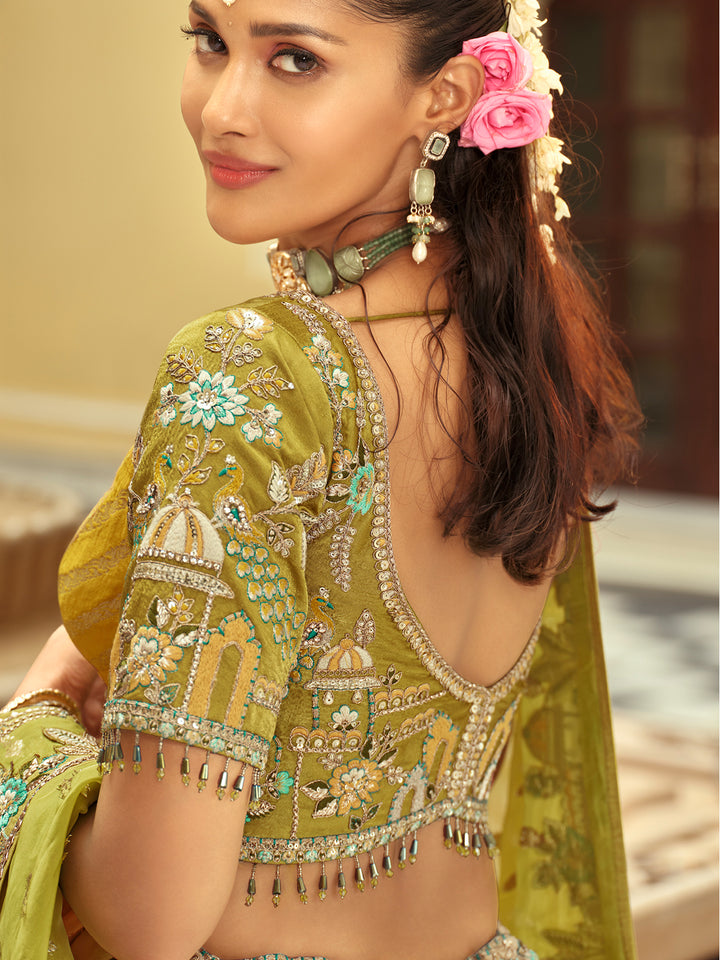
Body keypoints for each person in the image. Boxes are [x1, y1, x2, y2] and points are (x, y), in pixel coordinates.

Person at [0, 0, 643, 958]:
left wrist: (34, 728)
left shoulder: (248, 375)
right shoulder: (532, 357)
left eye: (295, 59)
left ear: (448, 96)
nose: (224, 106)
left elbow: (150, 913)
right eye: (211, 41)